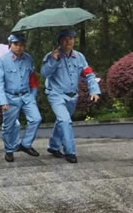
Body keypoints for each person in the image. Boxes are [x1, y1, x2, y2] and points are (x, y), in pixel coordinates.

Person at [41, 29, 101, 163]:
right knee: (65, 121)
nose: (68, 42)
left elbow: (88, 74)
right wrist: (53, 60)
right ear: (60, 41)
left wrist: (94, 90)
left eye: (71, 39)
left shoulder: (79, 57)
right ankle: (70, 152)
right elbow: (44, 73)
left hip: (72, 96)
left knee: (62, 121)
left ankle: (54, 146)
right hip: (56, 94)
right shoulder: (51, 56)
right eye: (65, 39)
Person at [0, 34, 42, 163]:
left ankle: (25, 144)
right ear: (10, 44)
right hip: (10, 97)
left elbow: (33, 79)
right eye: (16, 44)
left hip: (27, 95)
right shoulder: (2, 61)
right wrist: (3, 101)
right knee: (8, 126)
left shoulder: (29, 59)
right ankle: (9, 150)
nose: (19, 47)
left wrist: (33, 95)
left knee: (36, 118)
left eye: (22, 44)